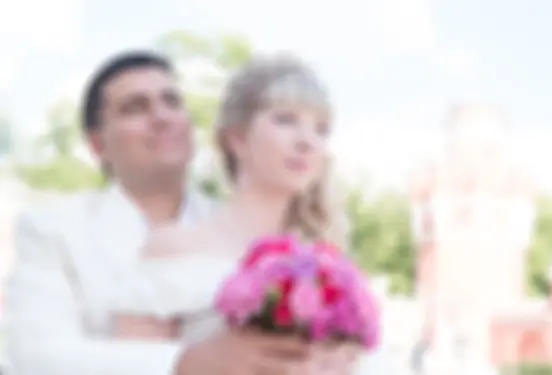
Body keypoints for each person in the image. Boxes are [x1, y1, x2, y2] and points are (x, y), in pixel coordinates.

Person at [3, 51, 332, 375]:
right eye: (135, 108)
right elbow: (37, 358)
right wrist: (186, 363)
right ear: (98, 144)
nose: (162, 117)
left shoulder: (247, 231)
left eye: (172, 102)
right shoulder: (52, 229)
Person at [106, 53, 358, 374]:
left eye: (321, 129)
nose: (306, 141)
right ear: (237, 138)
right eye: (285, 119)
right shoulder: (174, 248)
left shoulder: (326, 263)